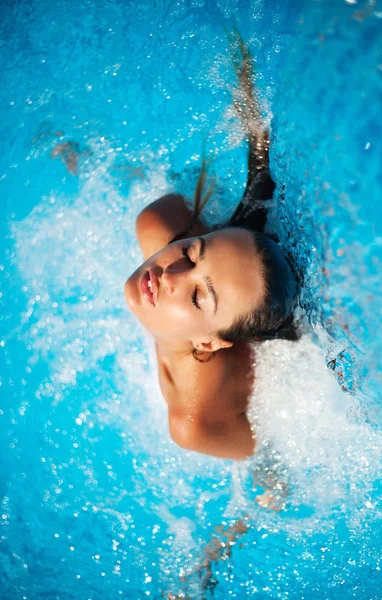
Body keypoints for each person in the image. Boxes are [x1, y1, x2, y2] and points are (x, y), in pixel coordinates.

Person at [124, 30, 299, 460]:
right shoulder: (158, 223)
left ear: (208, 343)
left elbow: (264, 455)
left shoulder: (194, 421)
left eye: (200, 295)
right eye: (189, 251)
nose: (172, 275)